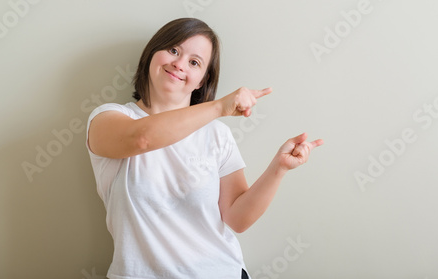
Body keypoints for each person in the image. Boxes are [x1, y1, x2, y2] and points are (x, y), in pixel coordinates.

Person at [86, 17, 323, 279]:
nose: (179, 64)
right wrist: (220, 107)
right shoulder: (108, 117)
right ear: (152, 54)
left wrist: (279, 169)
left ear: (201, 81)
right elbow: (141, 139)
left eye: (194, 62)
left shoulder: (217, 134)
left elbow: (237, 219)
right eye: (173, 50)